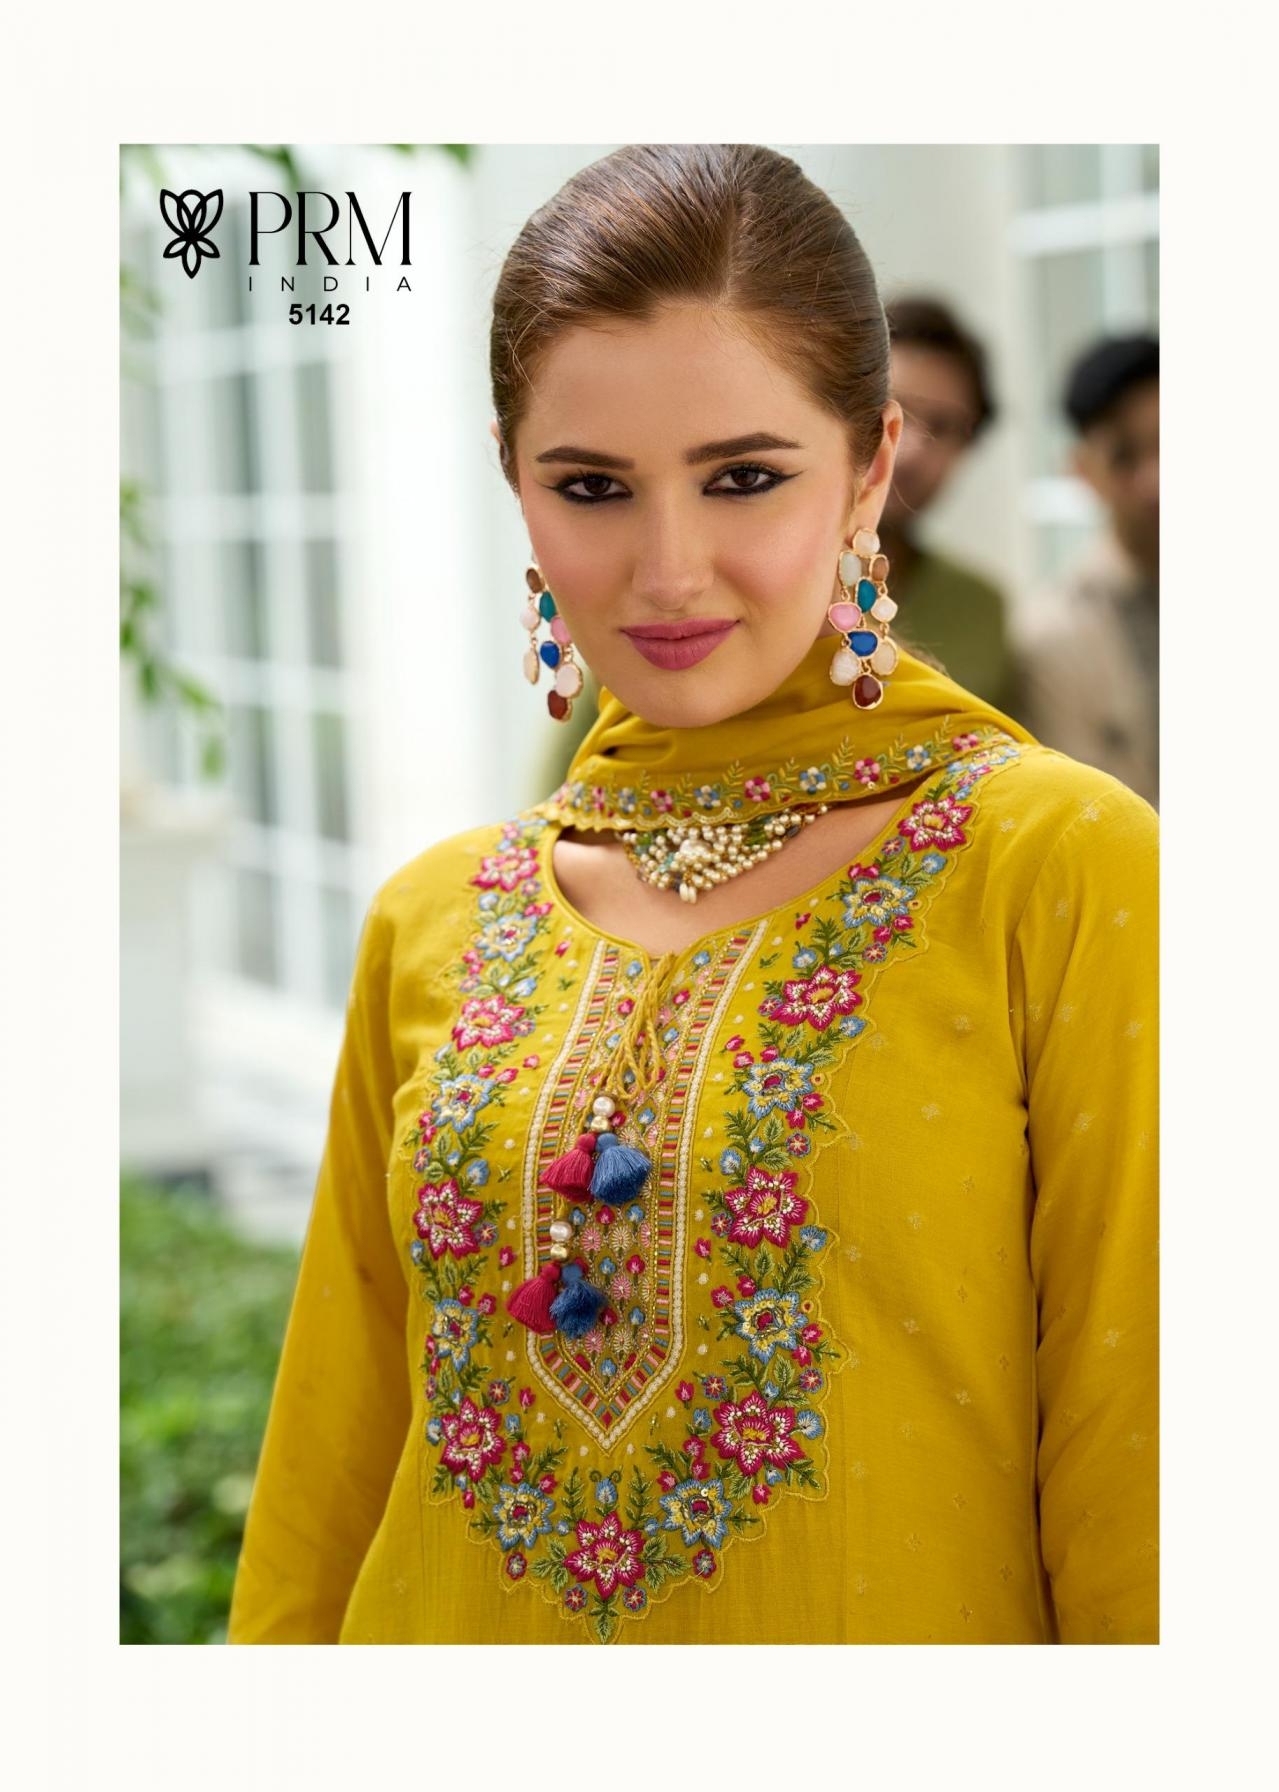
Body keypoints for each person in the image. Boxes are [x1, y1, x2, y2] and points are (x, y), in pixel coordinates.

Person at [227, 144, 1158, 1646]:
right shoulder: (432, 918)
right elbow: (320, 1504)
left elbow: (1147, 1486)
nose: (666, 572)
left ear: (868, 467)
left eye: (743, 478)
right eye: (591, 487)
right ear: (514, 481)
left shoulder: (1055, 866)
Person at [1014, 334, 1160, 809]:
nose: (1156, 480)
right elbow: (1092, 817)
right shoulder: (1052, 634)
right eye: (1125, 456)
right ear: (1082, 470)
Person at [875, 294, 1023, 719]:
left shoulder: (980, 609)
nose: (910, 451)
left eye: (943, 427)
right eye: (891, 413)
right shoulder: (768, 582)